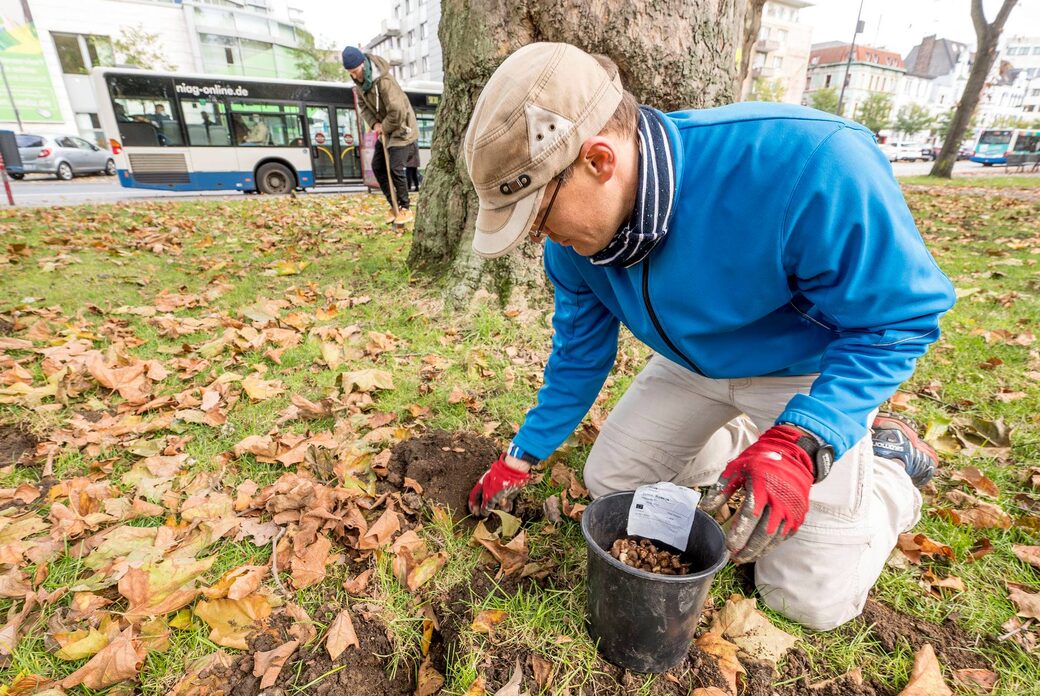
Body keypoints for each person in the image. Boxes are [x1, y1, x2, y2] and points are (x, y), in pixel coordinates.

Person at [463, 43, 955, 632]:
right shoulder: (575, 250)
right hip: (689, 368)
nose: (541, 238)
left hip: (801, 371)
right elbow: (578, 356)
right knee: (611, 486)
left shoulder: (809, 162)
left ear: (598, 161)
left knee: (804, 600)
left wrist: (804, 439)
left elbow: (897, 319)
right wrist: (523, 455)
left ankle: (891, 467)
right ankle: (744, 442)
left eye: (540, 216)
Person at [342, 45, 418, 225]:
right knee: (377, 166)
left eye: (355, 71)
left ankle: (405, 208)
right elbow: (363, 108)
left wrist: (383, 126)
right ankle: (394, 205)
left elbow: (398, 112)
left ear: (363, 64)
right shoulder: (360, 85)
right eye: (350, 73)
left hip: (402, 128)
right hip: (385, 129)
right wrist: (374, 124)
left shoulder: (384, 82)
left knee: (395, 168)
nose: (354, 76)